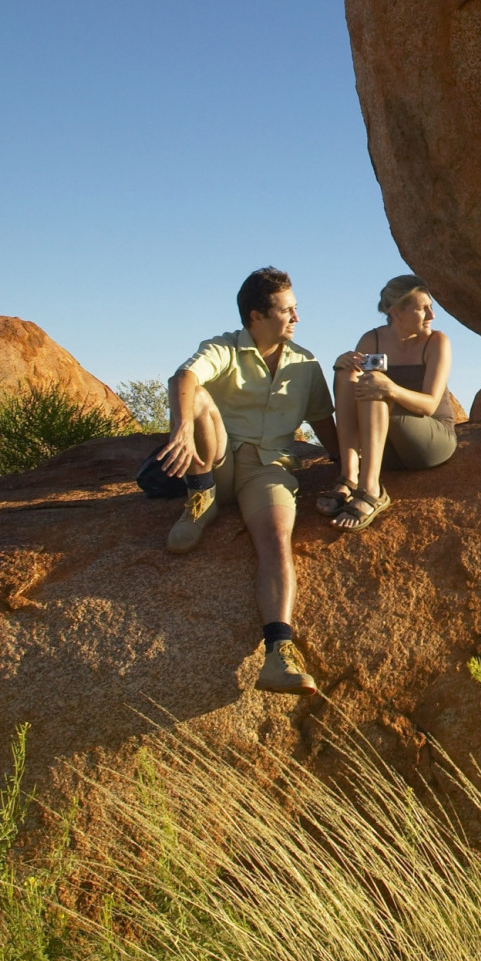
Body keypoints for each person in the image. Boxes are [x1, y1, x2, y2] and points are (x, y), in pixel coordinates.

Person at [153, 267, 339, 694]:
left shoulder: (305, 362)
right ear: (256, 315)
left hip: (269, 469)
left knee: (276, 541)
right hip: (218, 460)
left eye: (296, 309)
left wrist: (357, 469)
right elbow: (184, 378)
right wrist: (182, 430)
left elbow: (324, 426)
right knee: (197, 395)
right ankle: (201, 499)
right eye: (286, 310)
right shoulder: (223, 348)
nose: (296, 318)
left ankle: (277, 655)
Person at [318, 274, 457, 531]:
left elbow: (428, 405)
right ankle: (350, 476)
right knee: (348, 374)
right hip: (384, 448)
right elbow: (353, 389)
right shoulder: (373, 340)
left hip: (429, 440)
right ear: (396, 313)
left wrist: (391, 388)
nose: (431, 315)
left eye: (431, 306)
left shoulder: (437, 342)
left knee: (376, 389)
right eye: (422, 308)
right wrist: (343, 364)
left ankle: (371, 489)